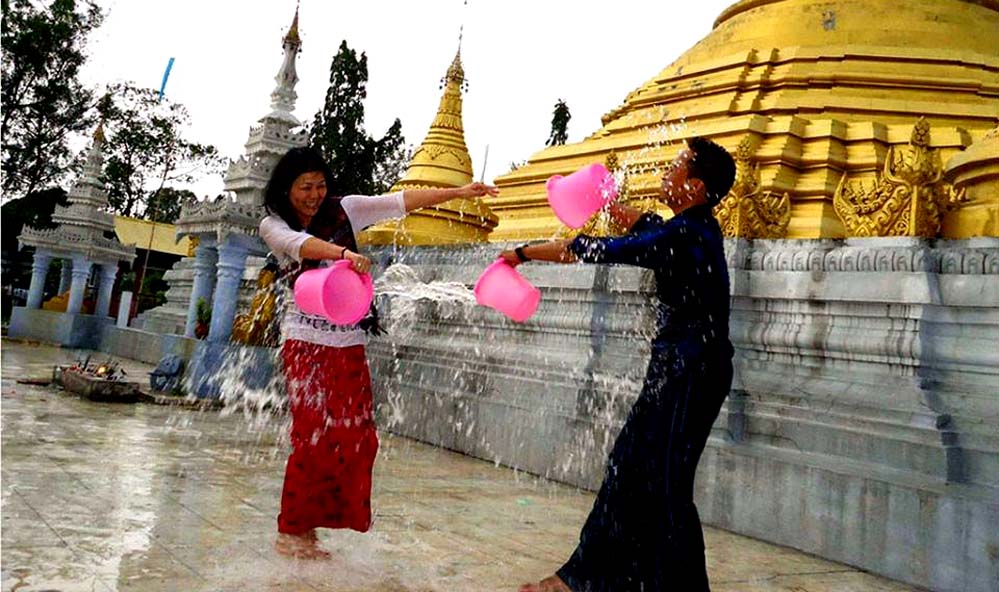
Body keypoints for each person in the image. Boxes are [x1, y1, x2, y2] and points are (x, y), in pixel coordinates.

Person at [503, 137, 737, 591]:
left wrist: (522, 254)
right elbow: (641, 226)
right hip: (678, 367)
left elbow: (595, 249)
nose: (667, 172)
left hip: (693, 371)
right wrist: (606, 200)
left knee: (666, 483)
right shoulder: (686, 229)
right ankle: (583, 578)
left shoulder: (686, 235)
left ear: (695, 186)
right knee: (628, 467)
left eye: (677, 165)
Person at [260, 146, 498, 559]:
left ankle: (313, 524)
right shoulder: (273, 223)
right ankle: (291, 530)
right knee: (311, 437)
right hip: (305, 341)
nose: (315, 195)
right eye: (305, 188)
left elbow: (400, 202)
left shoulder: (345, 209)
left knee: (358, 438)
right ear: (286, 189)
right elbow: (300, 245)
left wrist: (459, 192)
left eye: (320, 186)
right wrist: (343, 254)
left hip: (348, 340)